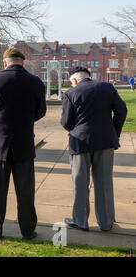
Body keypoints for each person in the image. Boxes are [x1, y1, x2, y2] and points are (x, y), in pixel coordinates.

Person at [0, 48, 46, 240]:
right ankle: (28, 230)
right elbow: (41, 111)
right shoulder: (35, 82)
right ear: (22, 62)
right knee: (25, 190)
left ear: (5, 63)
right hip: (24, 142)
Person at [61, 67, 127, 232]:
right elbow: (122, 111)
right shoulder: (107, 88)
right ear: (89, 77)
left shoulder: (70, 93)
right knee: (104, 183)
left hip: (80, 142)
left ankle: (80, 221)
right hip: (105, 140)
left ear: (74, 80)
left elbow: (66, 122)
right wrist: (114, 131)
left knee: (80, 183)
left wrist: (77, 128)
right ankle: (105, 222)